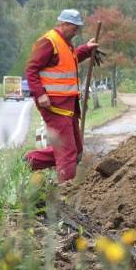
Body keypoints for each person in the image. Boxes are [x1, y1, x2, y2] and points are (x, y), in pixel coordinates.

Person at [24, 9, 98, 182]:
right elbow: (31, 69)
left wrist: (86, 49)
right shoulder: (49, 42)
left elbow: (68, 62)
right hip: (54, 106)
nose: (76, 31)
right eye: (74, 27)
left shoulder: (65, 43)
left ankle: (28, 161)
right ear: (64, 24)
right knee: (68, 150)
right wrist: (40, 94)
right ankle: (66, 191)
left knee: (76, 150)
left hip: (68, 105)